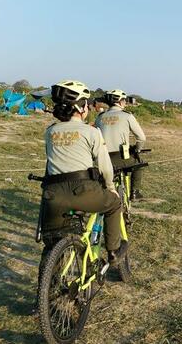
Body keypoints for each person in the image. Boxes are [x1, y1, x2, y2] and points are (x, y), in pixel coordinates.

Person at [41, 80, 128, 265]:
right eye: (86, 103)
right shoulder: (91, 131)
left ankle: (51, 277)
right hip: (84, 190)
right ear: (81, 107)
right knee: (113, 204)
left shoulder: (50, 132)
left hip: (53, 194)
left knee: (51, 244)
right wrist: (111, 187)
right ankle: (113, 252)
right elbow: (104, 166)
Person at [95, 89, 146, 199]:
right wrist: (137, 149)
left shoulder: (100, 117)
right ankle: (134, 192)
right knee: (138, 162)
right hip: (122, 157)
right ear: (120, 101)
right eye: (124, 100)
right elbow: (141, 138)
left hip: (103, 159)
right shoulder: (127, 116)